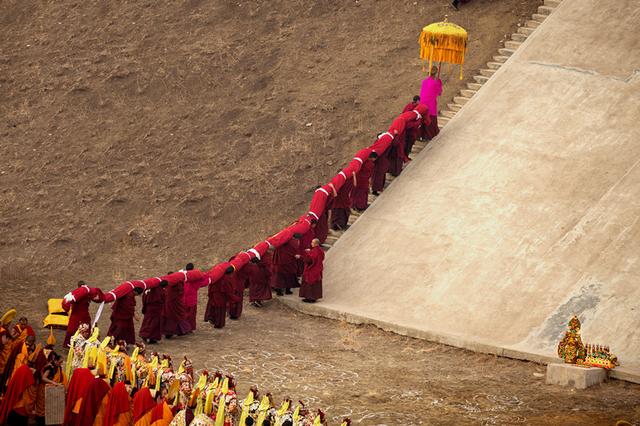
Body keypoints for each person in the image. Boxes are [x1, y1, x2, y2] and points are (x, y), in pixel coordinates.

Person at [63, 281, 100, 348]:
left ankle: (70, 344)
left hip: (76, 315)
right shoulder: (87, 293)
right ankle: (85, 342)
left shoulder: (77, 294)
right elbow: (96, 298)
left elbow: (68, 302)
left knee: (72, 328)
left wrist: (67, 309)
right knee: (85, 328)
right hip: (84, 315)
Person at [34, 352, 66, 426]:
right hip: (43, 388)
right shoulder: (50, 367)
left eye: (61, 362)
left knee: (48, 406)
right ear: (55, 361)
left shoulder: (58, 367)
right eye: (60, 362)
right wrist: (53, 383)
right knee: (42, 406)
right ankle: (39, 421)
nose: (60, 364)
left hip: (50, 389)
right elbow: (43, 378)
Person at [183, 264, 211, 332]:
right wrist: (208, 277)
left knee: (184, 314)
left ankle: (183, 328)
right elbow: (204, 282)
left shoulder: (182, 277)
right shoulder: (195, 279)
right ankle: (190, 328)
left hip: (183, 299)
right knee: (191, 315)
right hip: (192, 299)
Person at [297, 239, 325, 303]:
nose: (311, 243)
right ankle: (314, 298)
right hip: (318, 270)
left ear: (316, 244)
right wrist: (309, 252)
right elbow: (321, 258)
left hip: (311, 270)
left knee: (309, 284)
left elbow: (309, 260)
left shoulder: (314, 251)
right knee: (316, 284)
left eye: (312, 242)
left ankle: (310, 298)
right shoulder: (320, 250)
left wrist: (300, 257)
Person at [163, 273, 190, 338]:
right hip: (175, 303)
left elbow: (167, 294)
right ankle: (181, 330)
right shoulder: (179, 283)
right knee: (178, 316)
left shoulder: (171, 284)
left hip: (171, 303)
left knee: (171, 318)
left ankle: (170, 332)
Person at [420, 65, 442, 140]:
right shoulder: (436, 82)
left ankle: (422, 136)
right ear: (435, 73)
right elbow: (439, 93)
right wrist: (439, 82)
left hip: (422, 104)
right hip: (431, 105)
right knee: (431, 119)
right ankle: (430, 135)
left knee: (424, 118)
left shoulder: (424, 82)